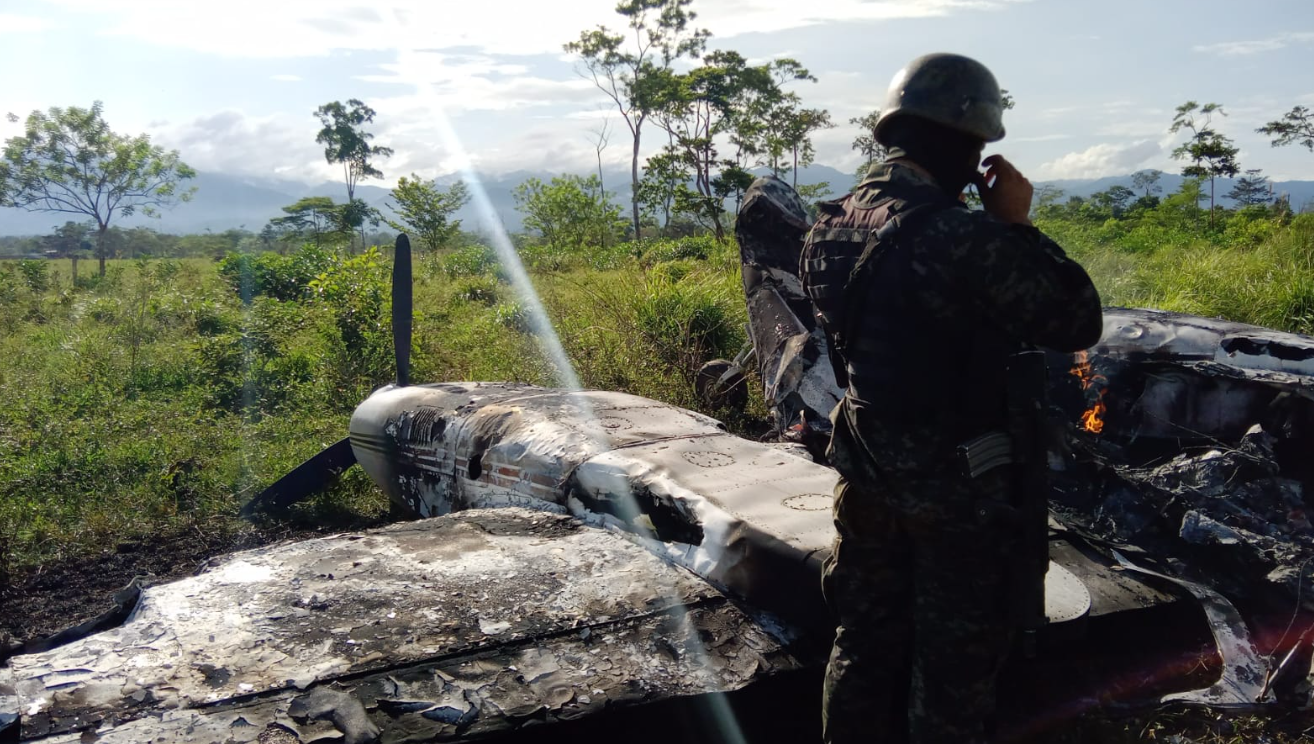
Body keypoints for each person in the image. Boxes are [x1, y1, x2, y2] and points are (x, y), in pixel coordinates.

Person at [800, 53, 1103, 744]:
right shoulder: (962, 237)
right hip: (956, 482)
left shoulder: (828, 227)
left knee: (864, 642)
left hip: (867, 469)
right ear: (967, 142)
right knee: (954, 666)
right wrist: (1017, 225)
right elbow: (1075, 318)